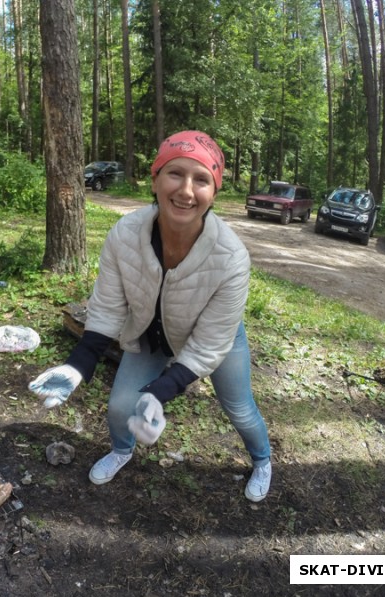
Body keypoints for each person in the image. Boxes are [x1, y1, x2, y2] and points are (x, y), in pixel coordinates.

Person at [28, 130, 272, 502]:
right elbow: (108, 306)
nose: (186, 191)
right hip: (150, 334)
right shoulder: (124, 234)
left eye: (201, 179)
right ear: (155, 178)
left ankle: (263, 459)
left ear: (214, 192)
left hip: (213, 339)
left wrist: (161, 392)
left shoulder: (231, 257)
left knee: (239, 409)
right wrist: (78, 364)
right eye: (175, 173)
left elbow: (210, 343)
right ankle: (122, 450)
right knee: (121, 406)